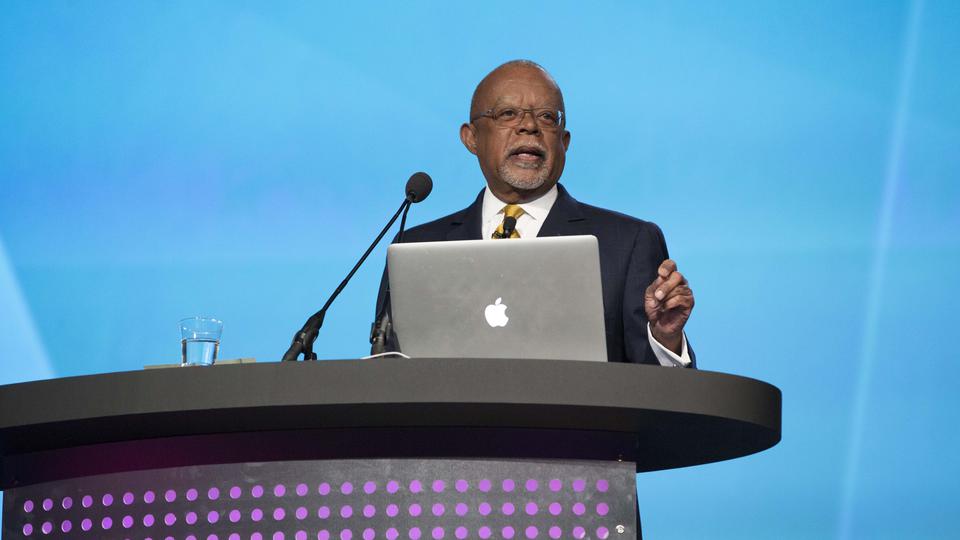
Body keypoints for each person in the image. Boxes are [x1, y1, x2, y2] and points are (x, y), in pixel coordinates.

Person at [374, 60, 695, 367]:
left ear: (564, 141)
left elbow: (656, 389)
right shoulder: (413, 248)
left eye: (546, 117)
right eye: (508, 113)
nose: (529, 126)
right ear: (471, 138)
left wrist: (665, 338)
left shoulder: (627, 244)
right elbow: (387, 374)